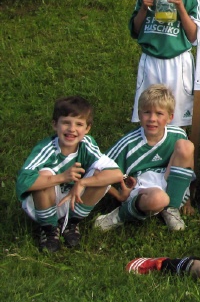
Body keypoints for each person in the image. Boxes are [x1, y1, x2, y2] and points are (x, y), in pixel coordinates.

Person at [16, 96, 122, 252]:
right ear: (55, 124)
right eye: (66, 122)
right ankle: (49, 228)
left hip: (72, 199)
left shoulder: (86, 144)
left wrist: (82, 183)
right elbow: (23, 181)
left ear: (87, 129)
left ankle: (71, 223)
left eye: (79, 124)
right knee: (45, 174)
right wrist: (61, 177)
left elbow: (116, 174)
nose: (72, 129)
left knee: (100, 174)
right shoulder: (46, 149)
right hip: (42, 203)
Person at [94, 85, 195, 231]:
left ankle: (171, 208)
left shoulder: (178, 134)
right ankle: (120, 215)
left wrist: (187, 200)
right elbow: (98, 170)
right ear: (139, 115)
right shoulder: (128, 144)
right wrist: (118, 195)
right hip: (142, 188)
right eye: (147, 112)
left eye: (159, 114)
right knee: (159, 199)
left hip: (168, 182)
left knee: (186, 146)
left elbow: (186, 166)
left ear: (170, 117)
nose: (152, 119)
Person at [129, 0, 200, 127]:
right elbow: (136, 30)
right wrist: (144, 8)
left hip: (178, 60)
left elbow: (194, 36)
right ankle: (149, 141)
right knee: (149, 111)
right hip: (151, 59)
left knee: (177, 114)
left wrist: (181, 7)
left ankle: (178, 142)